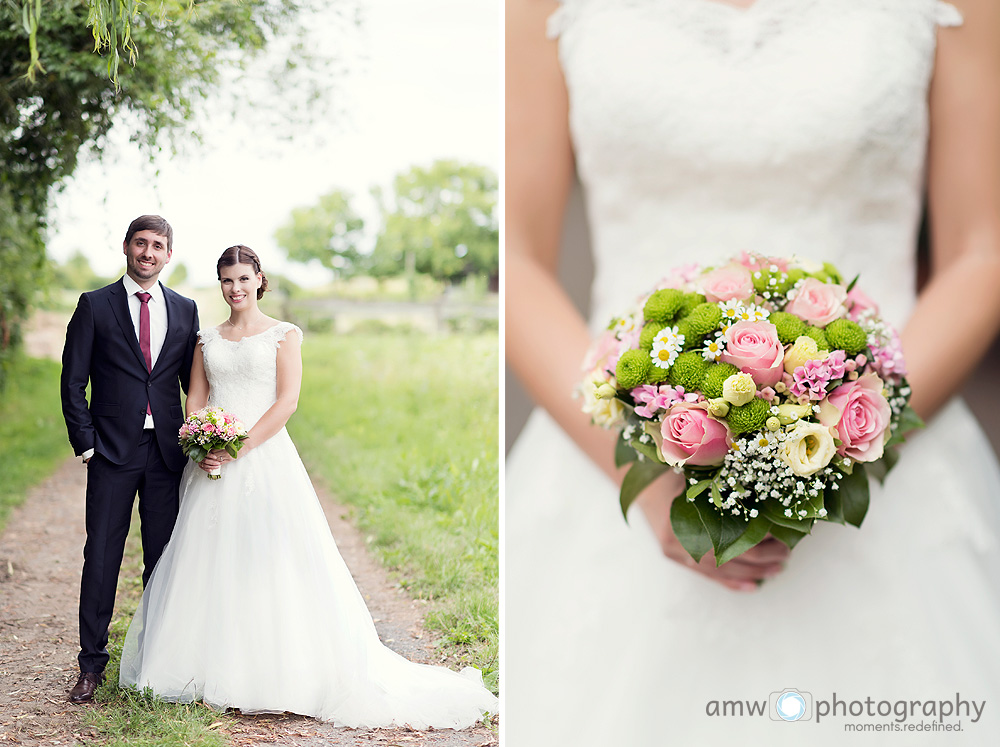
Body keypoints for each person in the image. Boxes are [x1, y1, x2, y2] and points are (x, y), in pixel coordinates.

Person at [506, 0, 1000, 744]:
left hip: (895, 459)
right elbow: (511, 254)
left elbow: (981, 249)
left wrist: (840, 443)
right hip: (609, 456)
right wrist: (640, 476)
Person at [118, 245, 497, 729]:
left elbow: (288, 401)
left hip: (262, 457)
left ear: (260, 279)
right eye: (226, 280)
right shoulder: (205, 339)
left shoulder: (283, 335)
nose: (235, 289)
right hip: (210, 461)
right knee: (208, 560)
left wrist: (239, 446)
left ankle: (274, 670)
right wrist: (202, 440)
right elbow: (195, 396)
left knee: (269, 558)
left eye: (243, 279)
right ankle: (204, 666)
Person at [60, 215, 200, 702]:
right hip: (111, 452)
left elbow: (193, 384)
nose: (148, 252)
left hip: (166, 453)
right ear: (126, 247)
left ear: (167, 255)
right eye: (141, 243)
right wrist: (86, 442)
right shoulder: (95, 305)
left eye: (157, 245)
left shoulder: (185, 310)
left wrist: (203, 437)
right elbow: (73, 379)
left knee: (162, 560)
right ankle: (91, 665)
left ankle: (156, 662)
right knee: (101, 557)